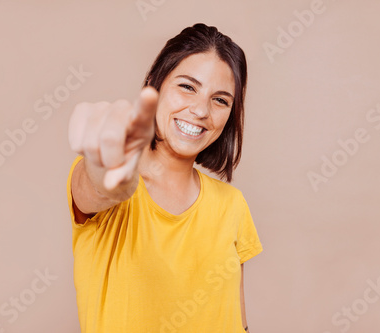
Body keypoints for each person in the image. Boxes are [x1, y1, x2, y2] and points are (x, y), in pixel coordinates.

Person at [66, 23, 263, 333]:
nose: (200, 110)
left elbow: (237, 322)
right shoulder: (110, 190)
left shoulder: (232, 205)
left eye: (221, 100)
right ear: (154, 87)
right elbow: (95, 187)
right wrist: (107, 168)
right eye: (187, 86)